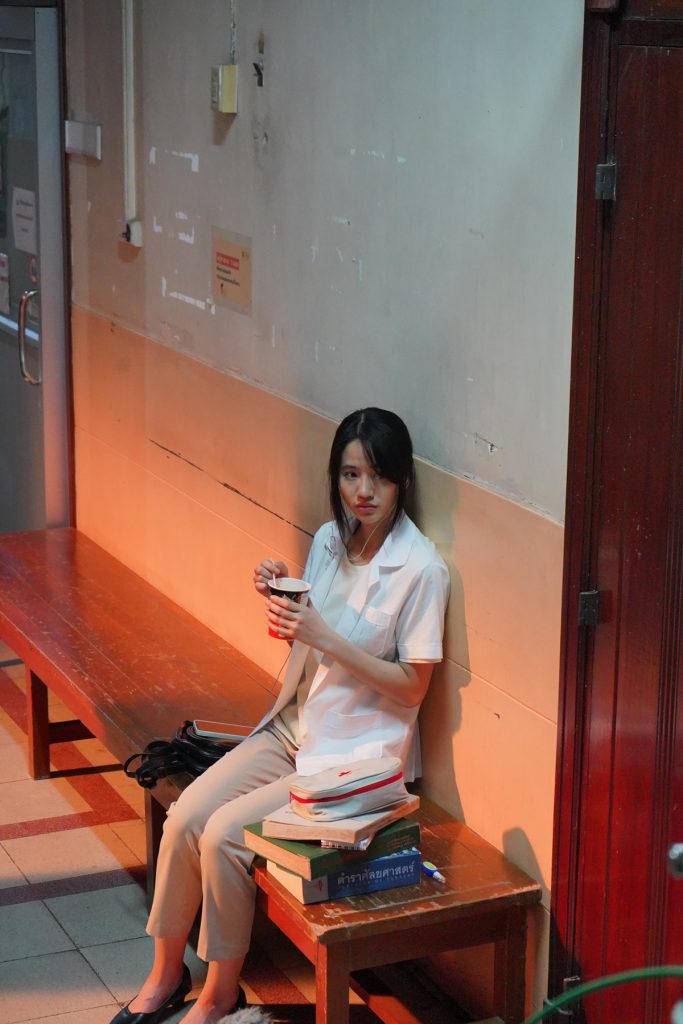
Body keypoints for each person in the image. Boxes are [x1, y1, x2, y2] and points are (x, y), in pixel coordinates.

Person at [109, 407, 449, 1024]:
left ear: (402, 480)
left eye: (379, 477)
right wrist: (282, 588)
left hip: (351, 762)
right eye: (350, 475)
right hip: (292, 728)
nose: (364, 491)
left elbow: (412, 688)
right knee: (183, 817)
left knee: (223, 836)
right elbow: (308, 634)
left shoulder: (422, 569)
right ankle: (165, 975)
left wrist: (323, 635)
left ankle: (219, 996)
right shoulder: (330, 540)